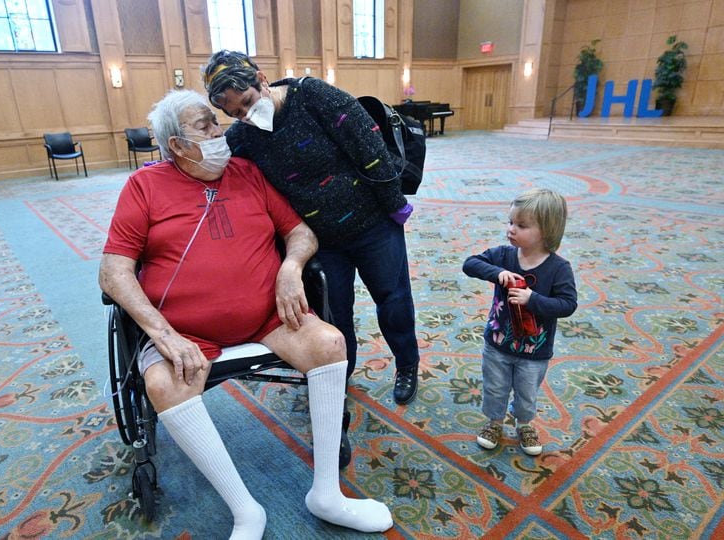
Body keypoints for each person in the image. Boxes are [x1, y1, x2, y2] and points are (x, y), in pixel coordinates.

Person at [99, 90, 393, 538]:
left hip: (267, 318)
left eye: (216, 122)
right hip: (186, 331)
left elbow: (300, 232)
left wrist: (292, 267)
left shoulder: (247, 173)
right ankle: (245, 511)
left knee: (330, 343)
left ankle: (328, 493)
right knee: (161, 383)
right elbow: (113, 272)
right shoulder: (144, 187)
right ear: (177, 145)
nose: (221, 132)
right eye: (206, 126)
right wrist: (163, 334)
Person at [201, 51, 421, 418]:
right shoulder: (243, 137)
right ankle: (340, 376)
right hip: (321, 241)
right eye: (235, 113)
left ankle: (407, 363)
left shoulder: (312, 95)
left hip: (372, 225)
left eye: (249, 102)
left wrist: (393, 203)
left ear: (261, 79)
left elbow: (367, 146)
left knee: (392, 297)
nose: (245, 115)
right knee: (336, 314)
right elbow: (220, 169)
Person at [462, 188, 577, 456]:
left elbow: (568, 304)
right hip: (498, 344)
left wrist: (532, 299)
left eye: (521, 225)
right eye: (511, 222)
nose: (511, 229)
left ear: (546, 232)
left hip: (534, 352)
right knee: (494, 387)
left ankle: (524, 423)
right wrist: (497, 272)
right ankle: (494, 422)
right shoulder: (503, 255)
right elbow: (470, 264)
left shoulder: (558, 268)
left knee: (526, 394)